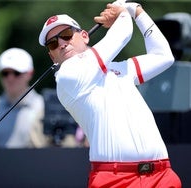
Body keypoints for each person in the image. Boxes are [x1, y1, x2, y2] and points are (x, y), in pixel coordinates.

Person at [38, 1, 181, 187]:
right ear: (52, 56)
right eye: (53, 43)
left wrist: (138, 12)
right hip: (115, 179)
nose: (62, 44)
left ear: (84, 36)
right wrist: (123, 10)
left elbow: (164, 56)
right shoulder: (67, 76)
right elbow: (123, 33)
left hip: (162, 175)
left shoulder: (117, 69)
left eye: (66, 35)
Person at [0, 48, 48, 148]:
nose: (10, 78)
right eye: (5, 73)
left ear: (30, 74)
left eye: (16, 72)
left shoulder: (46, 108)